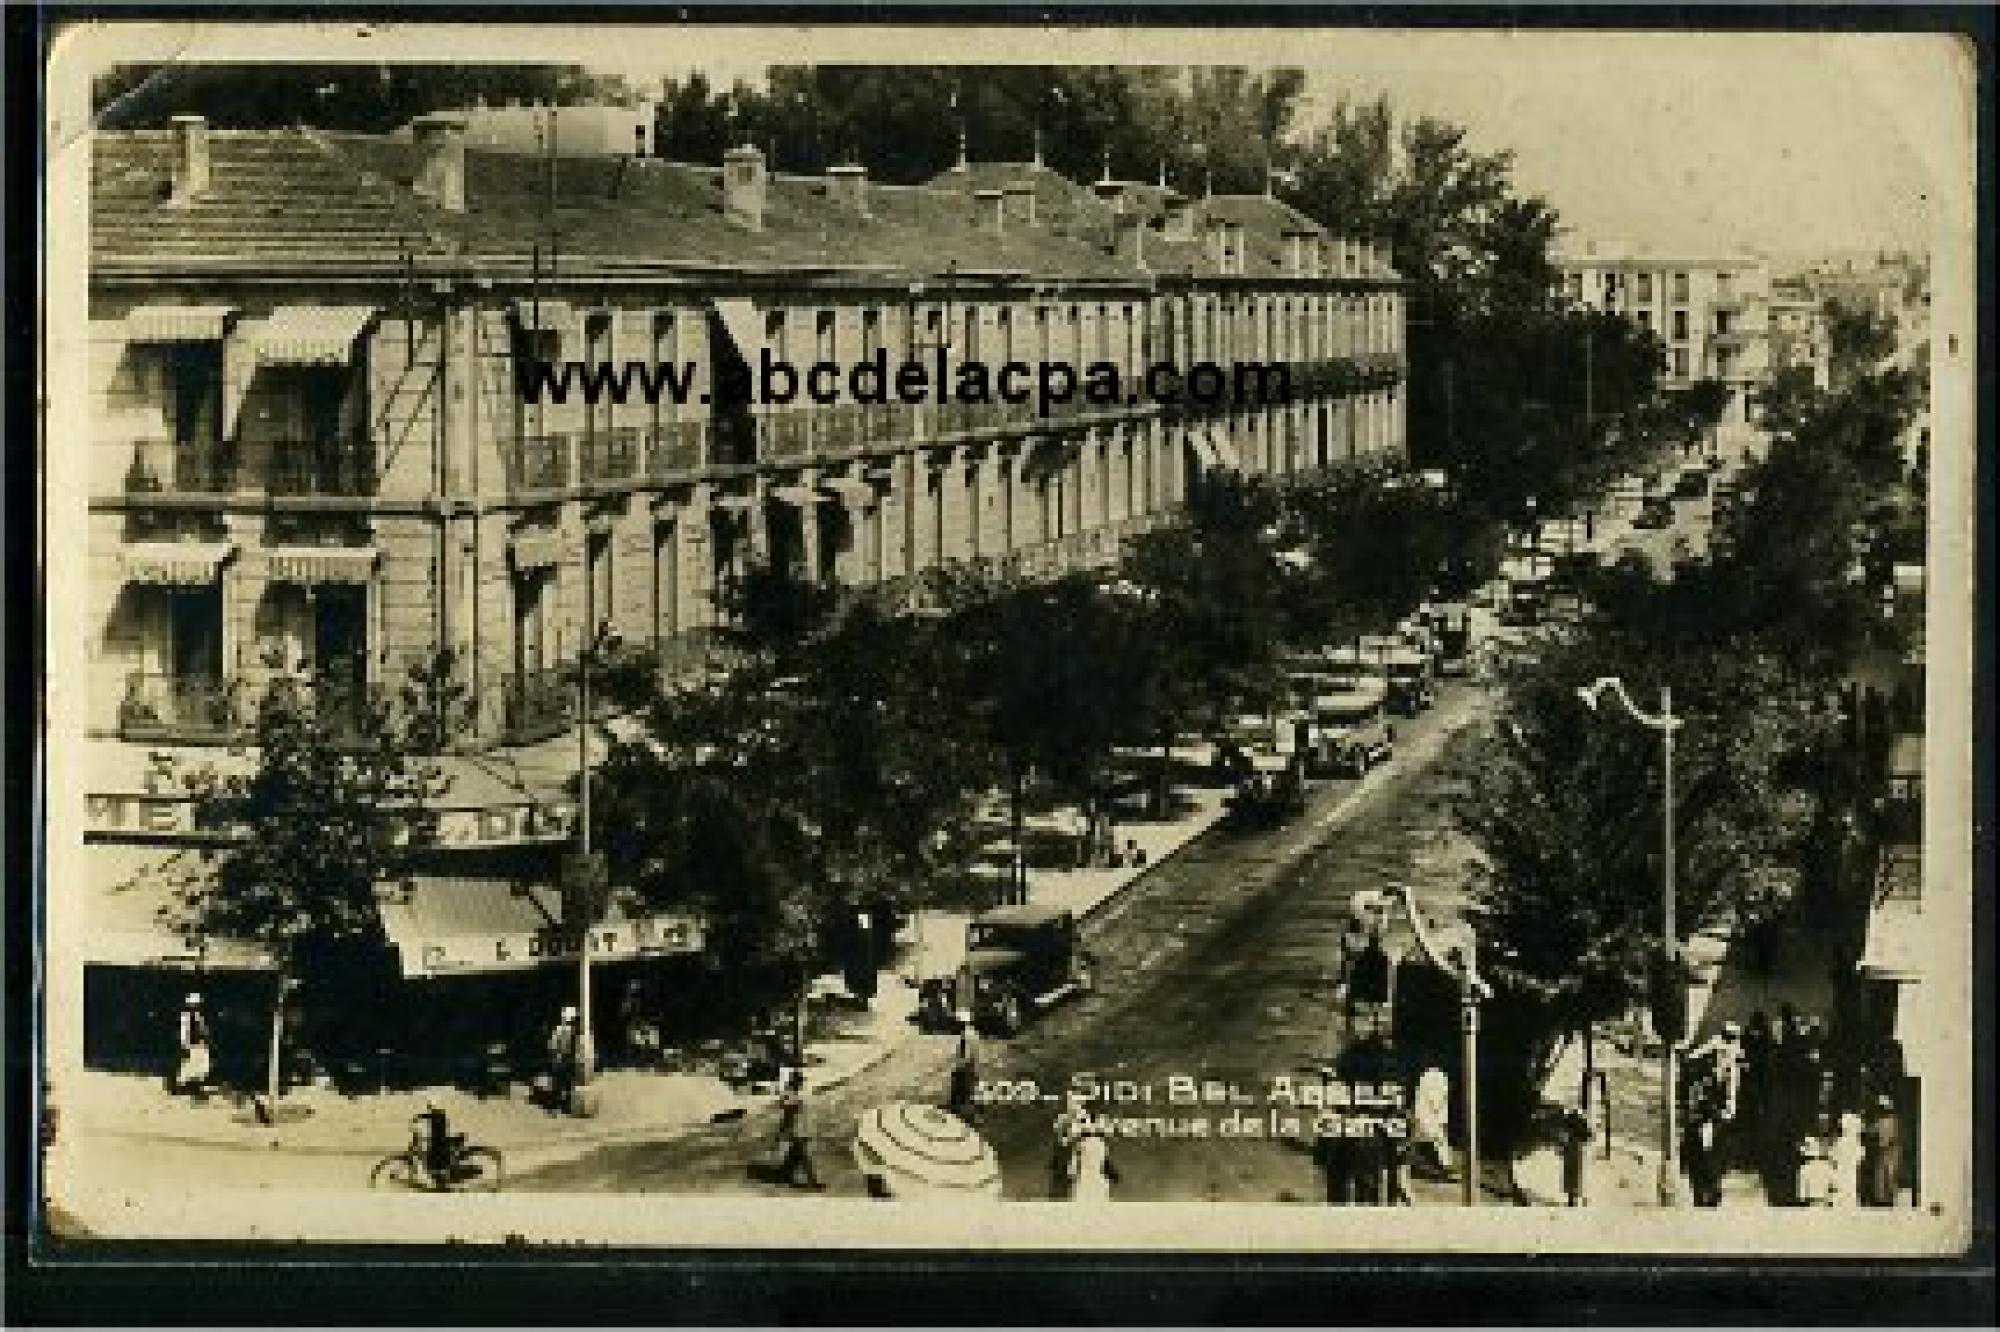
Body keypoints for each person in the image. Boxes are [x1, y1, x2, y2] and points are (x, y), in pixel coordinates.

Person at [771, 1069, 823, 1190]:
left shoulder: (793, 1094)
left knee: (797, 1155)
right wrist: (782, 1130)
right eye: (798, 1081)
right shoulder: (792, 1096)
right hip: (798, 1130)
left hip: (800, 1129)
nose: (800, 1083)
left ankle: (787, 1177)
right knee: (804, 1156)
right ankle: (812, 1182)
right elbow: (788, 1115)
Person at [1408, 1067, 1455, 1181]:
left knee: (1432, 1140)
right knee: (1433, 1140)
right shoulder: (1434, 1076)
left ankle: (1441, 1168)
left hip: (1429, 1116)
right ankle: (1441, 1169)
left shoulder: (1431, 1076)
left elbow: (1437, 1100)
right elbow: (1436, 1100)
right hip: (1429, 1116)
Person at [410, 1097, 465, 1187]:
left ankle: (442, 1178)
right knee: (436, 1156)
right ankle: (440, 1180)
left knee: (435, 1158)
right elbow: (426, 1117)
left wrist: (418, 1119)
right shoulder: (437, 1115)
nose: (430, 1109)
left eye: (430, 1107)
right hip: (439, 1141)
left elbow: (427, 1117)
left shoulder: (437, 1116)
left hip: (439, 1142)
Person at [1861, 1094, 1903, 1208]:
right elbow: (1872, 1130)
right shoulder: (1881, 1120)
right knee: (1882, 1177)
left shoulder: (1890, 1120)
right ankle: (1882, 1199)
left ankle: (1887, 1200)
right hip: (1884, 1151)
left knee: (1889, 1175)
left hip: (1889, 1151)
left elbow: (1888, 1137)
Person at [174, 993, 212, 1101]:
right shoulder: (186, 1017)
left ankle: (196, 1085)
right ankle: (181, 1086)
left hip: (200, 1043)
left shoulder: (199, 1016)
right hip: (191, 1044)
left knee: (202, 1065)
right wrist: (184, 1044)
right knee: (188, 1064)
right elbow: (184, 1031)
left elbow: (203, 1030)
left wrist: (205, 1039)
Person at [545, 1006, 582, 1114]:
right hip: (563, 1059)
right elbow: (552, 1045)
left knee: (563, 1084)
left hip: (563, 1059)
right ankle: (558, 1106)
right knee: (563, 1084)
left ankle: (559, 1106)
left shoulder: (562, 1030)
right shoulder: (566, 1030)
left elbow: (551, 1045)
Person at [1825, 1111, 1864, 1209]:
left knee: (1849, 1186)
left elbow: (1833, 1155)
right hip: (1844, 1170)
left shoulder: (1849, 1142)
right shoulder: (1845, 1142)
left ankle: (1847, 1202)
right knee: (1845, 1186)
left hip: (1848, 1170)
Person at [946, 1014, 981, 1123]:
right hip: (970, 1067)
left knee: (961, 1094)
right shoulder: (973, 1033)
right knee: (965, 1094)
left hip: (964, 1069)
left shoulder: (965, 1037)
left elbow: (965, 1056)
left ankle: (966, 1116)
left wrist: (956, 1069)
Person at [1068, 1127, 1117, 1203]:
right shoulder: (1086, 1144)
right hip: (1088, 1176)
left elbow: (1104, 1161)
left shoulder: (1097, 1144)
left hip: (1093, 1176)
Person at [1560, 1107, 1593, 1207]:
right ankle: (1572, 1196)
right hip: (1575, 1147)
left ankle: (1571, 1196)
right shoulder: (1578, 1122)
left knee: (1570, 1171)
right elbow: (1588, 1135)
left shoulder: (1568, 1123)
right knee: (1574, 1171)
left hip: (1570, 1146)